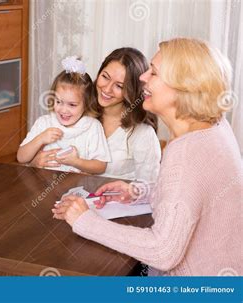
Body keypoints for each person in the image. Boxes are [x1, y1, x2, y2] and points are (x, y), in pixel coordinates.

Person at [53, 38, 242, 276]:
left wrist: (84, 220)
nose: (143, 77)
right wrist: (138, 192)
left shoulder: (186, 153)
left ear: (182, 87)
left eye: (154, 72)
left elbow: (163, 251)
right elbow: (191, 197)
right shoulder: (213, 128)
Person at [32, 48, 161, 182]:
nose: (107, 89)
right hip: (68, 197)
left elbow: (149, 187)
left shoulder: (142, 134)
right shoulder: (76, 112)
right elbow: (41, 153)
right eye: (105, 77)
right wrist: (36, 162)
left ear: (131, 91)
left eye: (119, 86)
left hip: (116, 202)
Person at [17, 56, 110, 174]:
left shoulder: (92, 126)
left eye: (72, 105)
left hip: (77, 188)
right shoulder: (44, 123)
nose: (63, 110)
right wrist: (40, 139)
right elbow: (21, 157)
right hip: (44, 186)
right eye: (59, 102)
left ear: (86, 104)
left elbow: (100, 166)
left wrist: (75, 161)